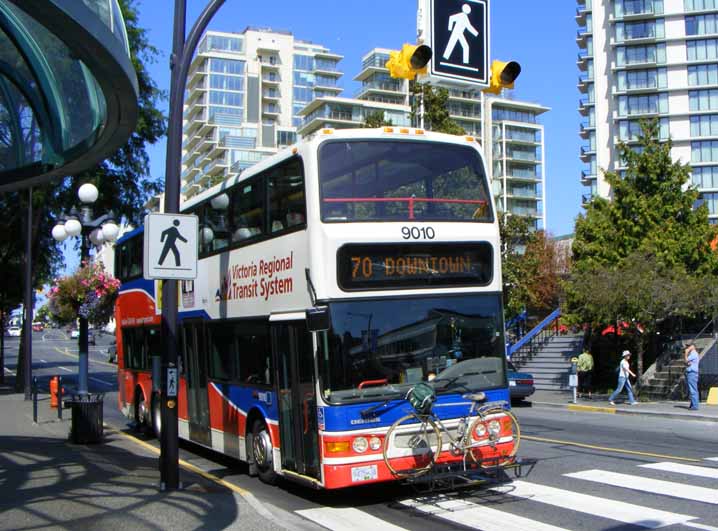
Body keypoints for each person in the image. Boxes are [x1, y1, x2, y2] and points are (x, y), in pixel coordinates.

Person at [684, 342, 700, 410]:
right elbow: (687, 363)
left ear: (693, 346)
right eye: (687, 346)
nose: (687, 347)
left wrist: (686, 353)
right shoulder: (693, 354)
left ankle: (695, 406)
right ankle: (693, 404)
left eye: (689, 346)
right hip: (691, 373)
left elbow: (686, 361)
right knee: (692, 389)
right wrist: (687, 363)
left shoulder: (693, 354)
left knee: (693, 389)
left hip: (692, 373)